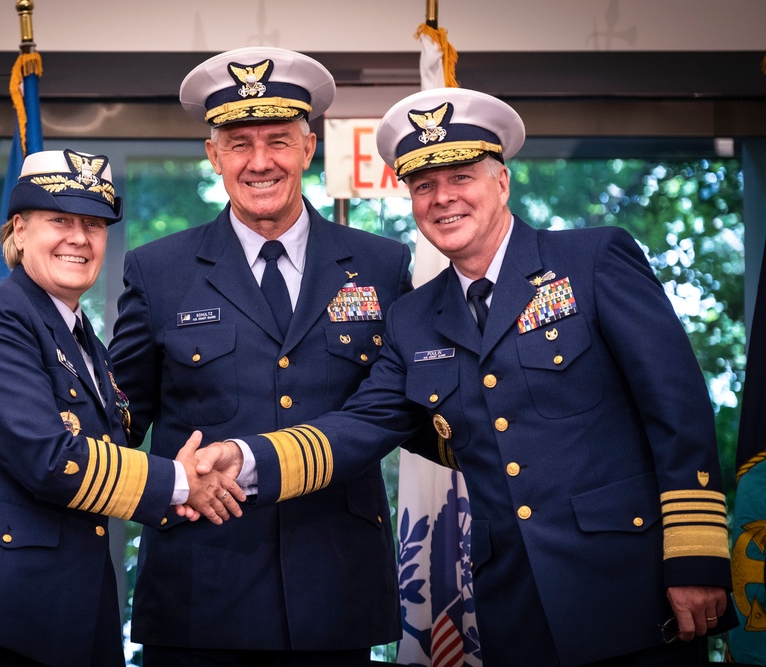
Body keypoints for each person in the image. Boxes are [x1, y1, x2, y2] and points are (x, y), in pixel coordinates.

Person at [196, 88, 737, 666]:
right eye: (423, 186)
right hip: (513, 604)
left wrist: (697, 557)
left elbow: (676, 409)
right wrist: (245, 458)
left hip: (633, 585)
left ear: (501, 182)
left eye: (461, 177)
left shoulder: (592, 260)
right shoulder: (412, 319)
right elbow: (360, 425)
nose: (442, 198)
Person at [108, 47, 418, 666]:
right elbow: (118, 421)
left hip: (337, 581)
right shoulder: (159, 270)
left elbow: (398, 406)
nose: (260, 161)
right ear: (213, 155)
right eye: (238, 142)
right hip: (201, 580)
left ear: (307, 149)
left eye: (278, 139)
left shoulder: (383, 265)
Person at [0, 149, 244, 667]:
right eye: (60, 220)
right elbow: (50, 458)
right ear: (19, 229)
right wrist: (181, 481)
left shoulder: (86, 344)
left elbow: (107, 460)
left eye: (93, 223)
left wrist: (183, 486)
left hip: (63, 614)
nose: (79, 237)